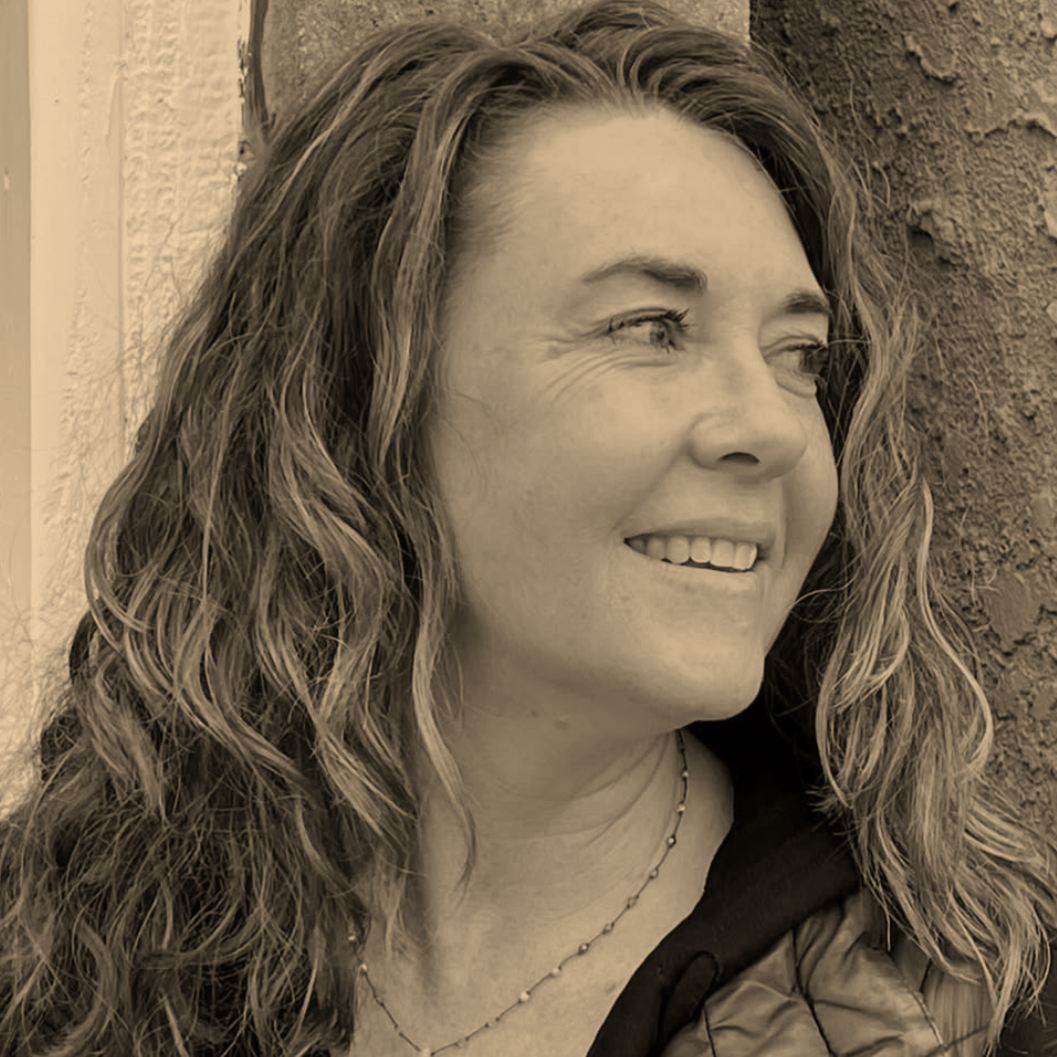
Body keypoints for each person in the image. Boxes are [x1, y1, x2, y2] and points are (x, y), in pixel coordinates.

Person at [2, 2, 1055, 1054]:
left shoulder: (943, 1007)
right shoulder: (79, 944)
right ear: (367, 394)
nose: (773, 429)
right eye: (651, 329)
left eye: (801, 356)